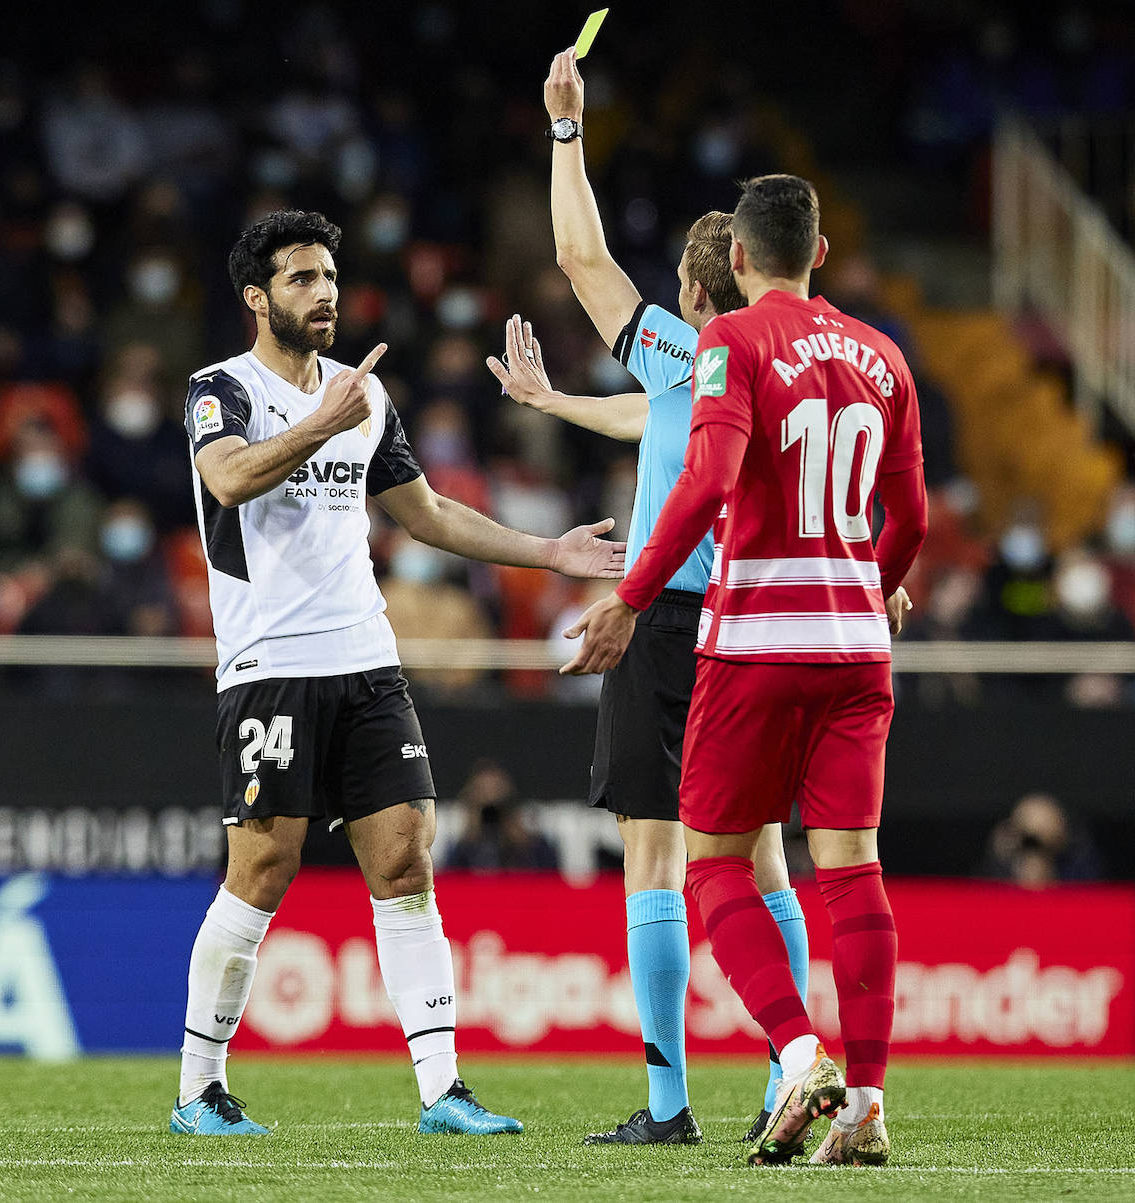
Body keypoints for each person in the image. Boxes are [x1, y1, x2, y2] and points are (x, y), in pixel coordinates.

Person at [173, 209, 625, 1137]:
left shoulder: (364, 395)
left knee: (407, 859)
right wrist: (319, 424)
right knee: (263, 865)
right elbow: (227, 480)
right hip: (269, 665)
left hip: (367, 658)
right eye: (301, 278)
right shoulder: (220, 389)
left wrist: (551, 551)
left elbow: (426, 515)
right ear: (257, 298)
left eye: (330, 275)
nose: (324, 291)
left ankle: (442, 1090)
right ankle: (199, 1088)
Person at [563, 174, 928, 1167]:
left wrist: (630, 598)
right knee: (846, 866)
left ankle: (792, 1053)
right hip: (856, 647)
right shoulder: (884, 355)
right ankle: (866, 1101)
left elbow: (708, 477)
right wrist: (876, 585)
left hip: (752, 635)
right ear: (820, 252)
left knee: (705, 860)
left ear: (731, 263)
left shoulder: (723, 344)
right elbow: (916, 520)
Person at [482, 47, 810, 1147]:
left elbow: (580, 258)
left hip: (669, 622)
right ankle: (786, 1074)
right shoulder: (777, 366)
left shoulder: (686, 345)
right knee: (763, 855)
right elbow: (653, 423)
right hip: (761, 626)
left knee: (654, 855)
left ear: (693, 289)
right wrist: (555, 397)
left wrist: (567, 128)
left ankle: (669, 1105)